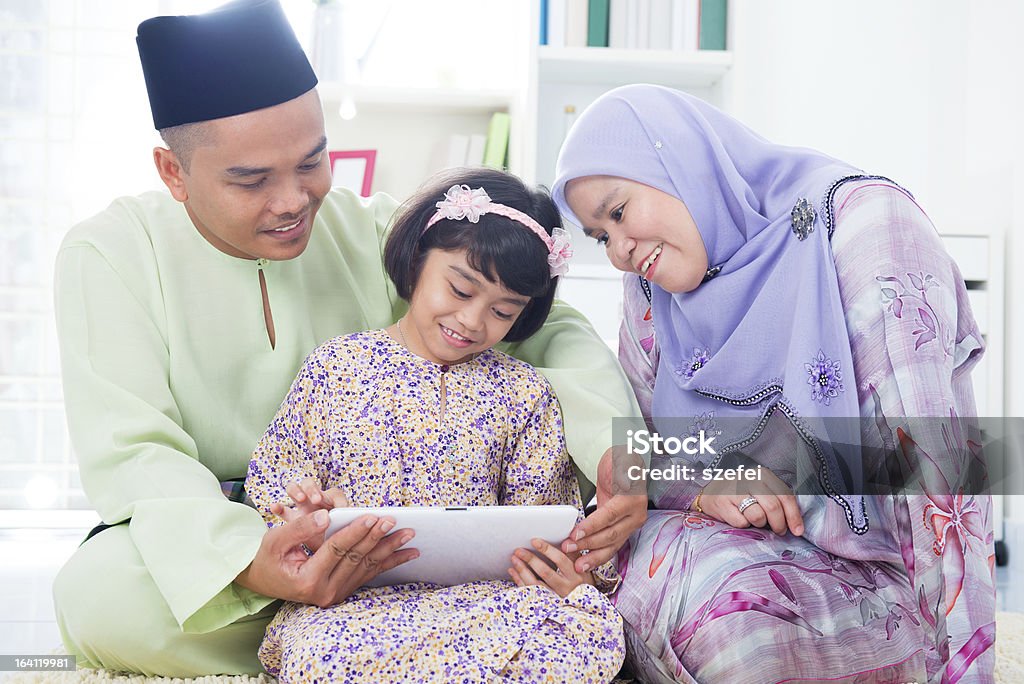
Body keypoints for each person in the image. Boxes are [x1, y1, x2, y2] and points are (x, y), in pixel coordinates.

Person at [50, 1, 644, 676]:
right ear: (173, 172)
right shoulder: (112, 252)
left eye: (312, 161)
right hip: (224, 538)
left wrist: (617, 452)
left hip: (394, 550)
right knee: (99, 594)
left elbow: (551, 327)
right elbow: (136, 454)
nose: (294, 200)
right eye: (252, 179)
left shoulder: (372, 230)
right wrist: (253, 562)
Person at [551, 84, 996, 683]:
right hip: (742, 541)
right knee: (592, 567)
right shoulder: (652, 290)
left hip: (883, 571)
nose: (619, 254)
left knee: (722, 613)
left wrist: (966, 669)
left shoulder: (866, 228)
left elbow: (941, 485)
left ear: (679, 159)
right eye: (601, 236)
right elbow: (650, 456)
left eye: (619, 212)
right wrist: (711, 486)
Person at [244, 168, 625, 682]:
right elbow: (274, 483)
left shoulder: (525, 392)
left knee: (579, 639)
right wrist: (303, 515)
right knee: (326, 655)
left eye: (503, 311)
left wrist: (567, 570)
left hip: (488, 603)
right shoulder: (334, 367)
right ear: (418, 258)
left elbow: (543, 520)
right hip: (356, 602)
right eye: (460, 289)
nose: (472, 322)